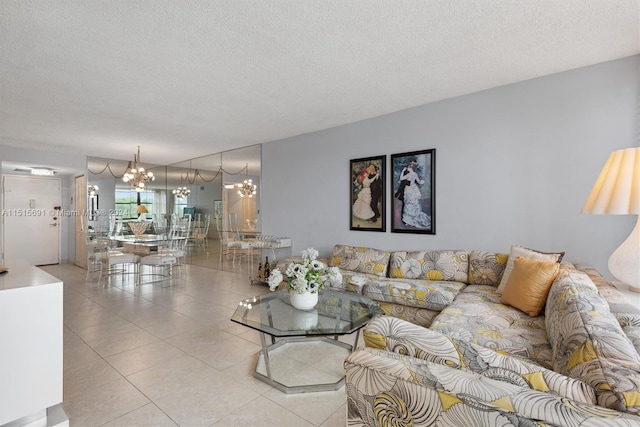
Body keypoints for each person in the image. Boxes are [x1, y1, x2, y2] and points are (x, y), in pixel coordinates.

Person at [396, 158, 430, 229]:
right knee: (412, 203)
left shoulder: (409, 174)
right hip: (413, 189)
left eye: (411, 165)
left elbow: (401, 178)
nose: (410, 166)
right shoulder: (414, 174)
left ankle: (408, 219)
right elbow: (419, 181)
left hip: (409, 189)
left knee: (409, 203)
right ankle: (410, 217)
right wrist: (422, 181)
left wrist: (403, 171)